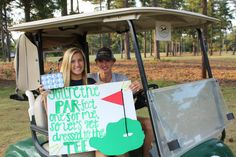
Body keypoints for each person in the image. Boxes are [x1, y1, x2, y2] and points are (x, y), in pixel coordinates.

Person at [88, 47, 154, 157]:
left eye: (107, 60)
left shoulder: (121, 79)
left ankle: (145, 154)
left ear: (113, 62)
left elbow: (129, 98)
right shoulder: (90, 79)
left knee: (149, 124)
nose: (104, 64)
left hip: (121, 119)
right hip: (100, 121)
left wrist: (138, 87)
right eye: (101, 60)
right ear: (96, 63)